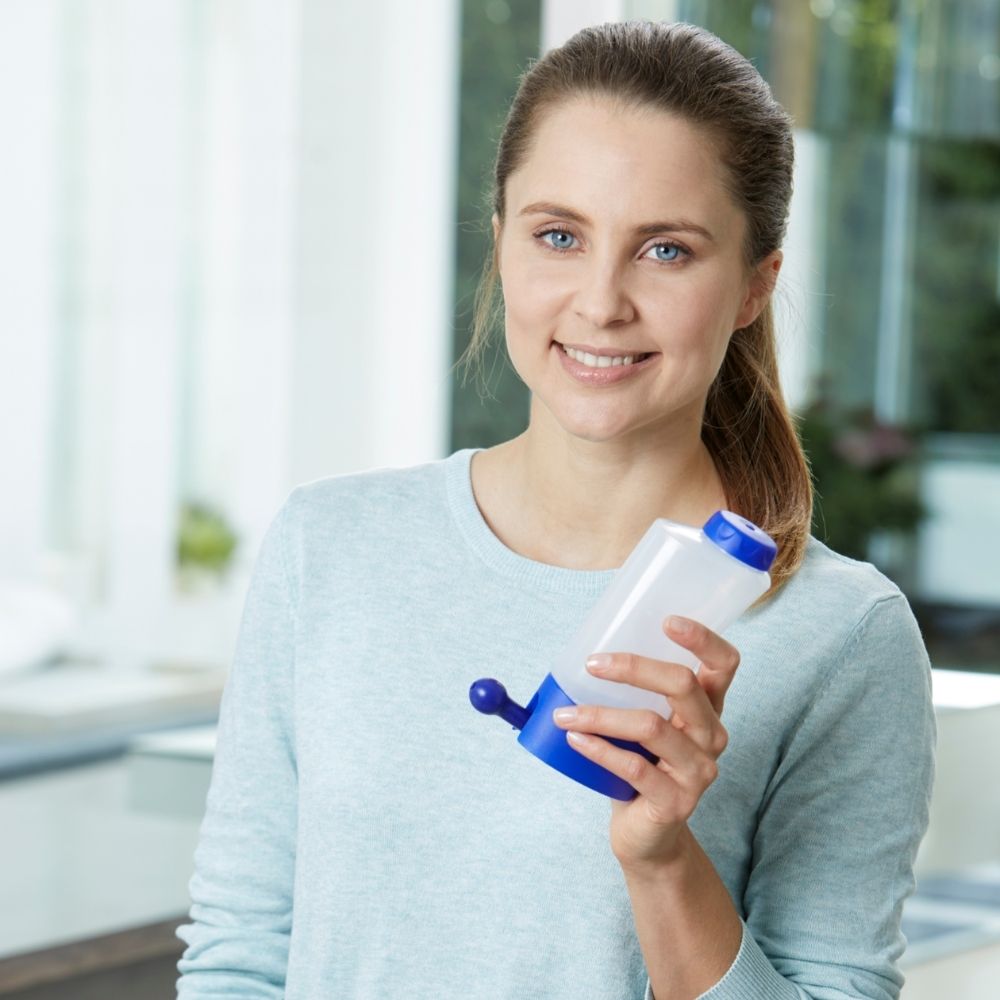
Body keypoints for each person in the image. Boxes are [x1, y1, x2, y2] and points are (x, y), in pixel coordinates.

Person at [175, 20, 934, 1000]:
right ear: (499, 243)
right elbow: (238, 959)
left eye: (664, 250)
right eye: (559, 235)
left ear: (754, 285)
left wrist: (662, 860)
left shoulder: (839, 635)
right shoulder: (332, 547)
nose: (600, 301)